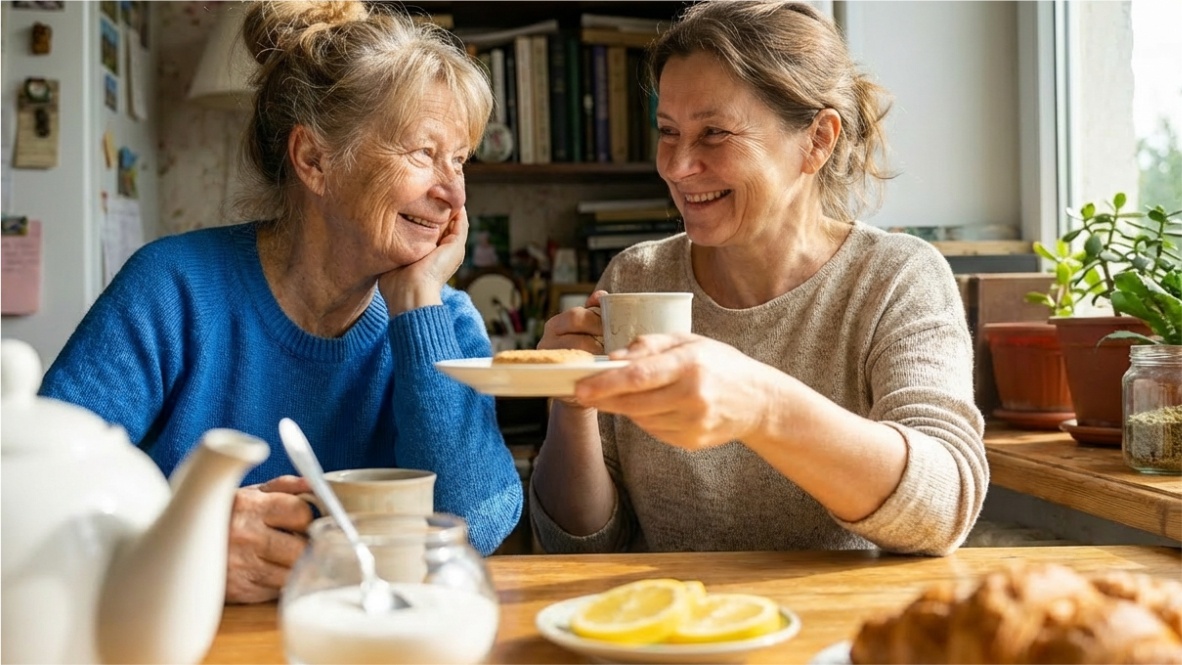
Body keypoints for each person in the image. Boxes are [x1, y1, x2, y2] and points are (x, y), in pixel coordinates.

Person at [38, 0, 521, 603]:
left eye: (460, 160)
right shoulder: (171, 289)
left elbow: (476, 523)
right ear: (314, 160)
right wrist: (185, 533)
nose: (453, 193)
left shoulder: (443, 322)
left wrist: (418, 303)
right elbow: (34, 488)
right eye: (424, 153)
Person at [530, 0, 987, 556]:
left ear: (817, 140)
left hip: (838, 634)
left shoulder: (894, 279)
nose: (676, 166)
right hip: (671, 632)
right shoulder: (637, 275)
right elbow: (580, 549)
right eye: (668, 131)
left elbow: (941, 510)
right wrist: (572, 405)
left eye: (714, 133)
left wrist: (762, 406)